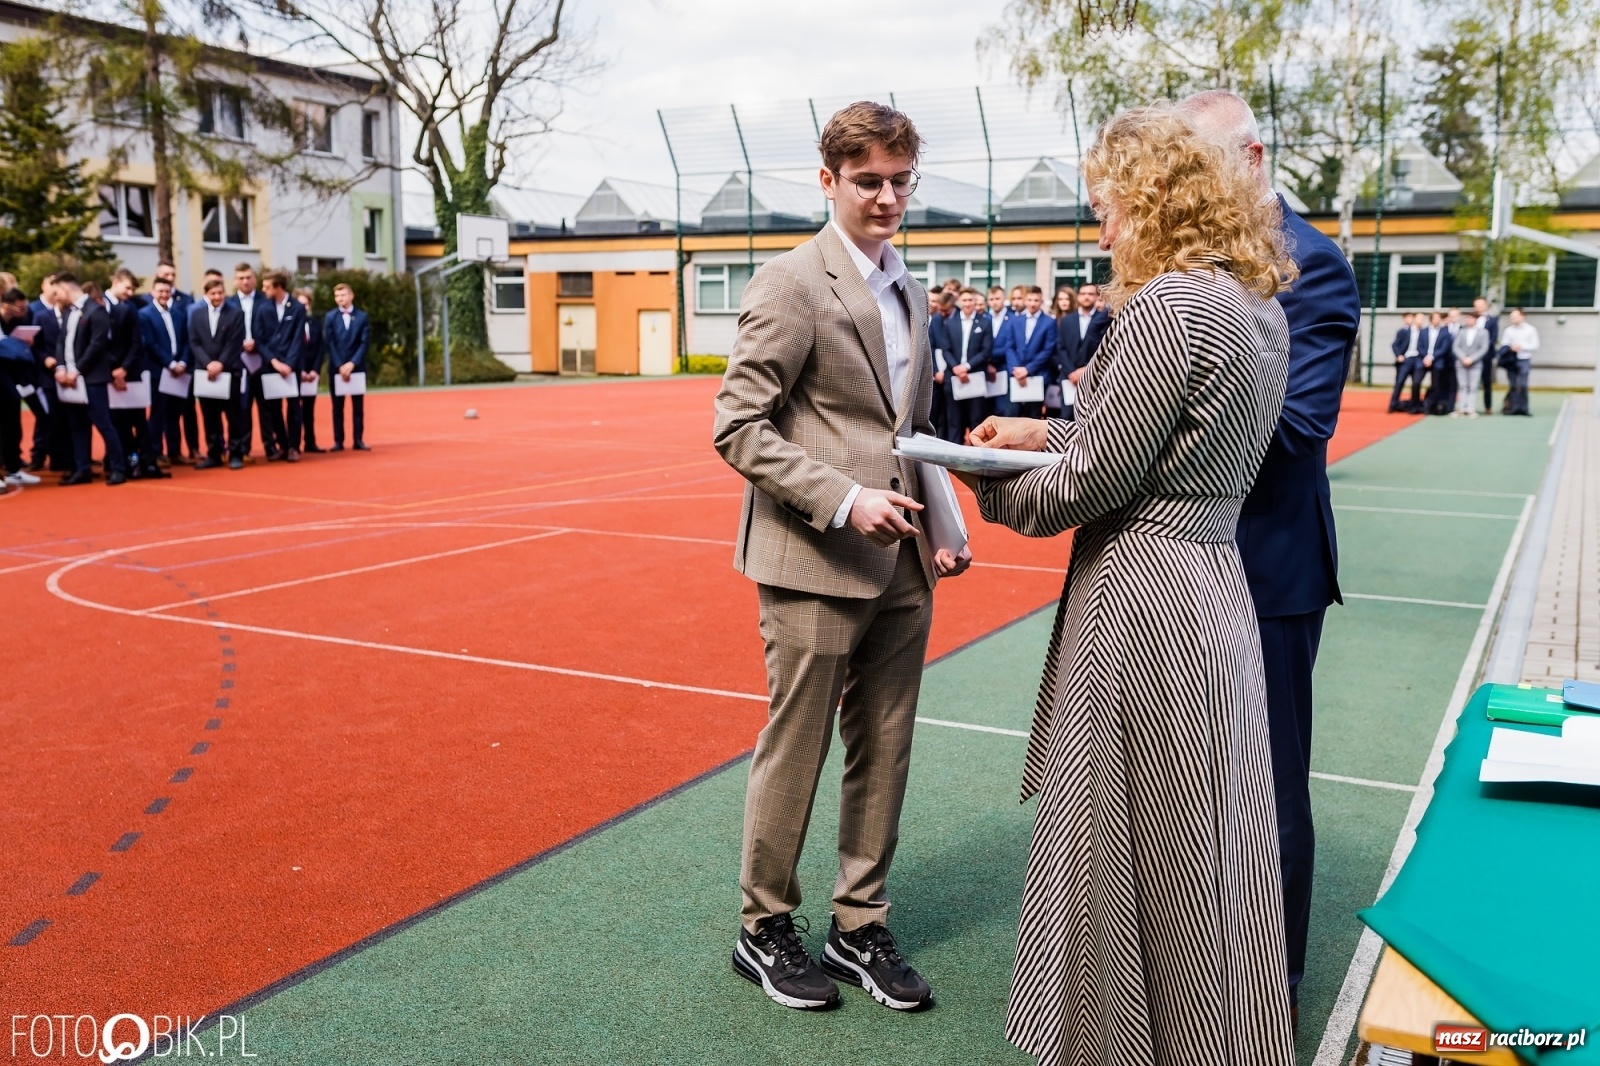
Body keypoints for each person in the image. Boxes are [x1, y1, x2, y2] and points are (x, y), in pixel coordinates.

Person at [964, 102, 1297, 1066]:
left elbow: (1091, 485)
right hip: (1212, 595)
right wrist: (1045, 433)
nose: (1101, 228)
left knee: (1113, 856)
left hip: (1137, 612)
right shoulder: (1255, 303)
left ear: (1155, 203)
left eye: (1107, 206)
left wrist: (985, 478)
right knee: (1206, 860)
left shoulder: (1170, 307)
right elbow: (1164, 456)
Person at [711, 100, 971, 1015]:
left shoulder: (910, 283)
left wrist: (943, 517)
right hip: (812, 558)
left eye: (901, 180)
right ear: (829, 181)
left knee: (887, 747)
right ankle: (764, 927)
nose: (888, 196)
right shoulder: (791, 282)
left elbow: (913, 427)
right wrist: (843, 496)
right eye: (869, 181)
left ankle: (858, 925)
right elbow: (736, 426)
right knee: (799, 747)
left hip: (903, 566)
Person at [1181, 88, 1361, 1025]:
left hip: (1267, 570)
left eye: (1201, 169)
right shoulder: (1187, 261)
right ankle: (1198, 971)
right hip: (1182, 569)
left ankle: (1271, 996)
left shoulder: (1315, 266)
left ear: (1251, 160)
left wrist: (1162, 411)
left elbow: (1298, 425)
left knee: (1270, 791)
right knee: (1195, 792)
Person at [54, 273, 128, 486]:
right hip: (68, 378)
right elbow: (62, 342)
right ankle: (82, 469)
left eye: (57, 291)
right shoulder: (68, 312)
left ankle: (117, 468)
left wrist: (76, 370)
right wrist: (61, 368)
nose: (56, 296)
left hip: (91, 379)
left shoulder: (97, 311)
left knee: (104, 424)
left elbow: (97, 345)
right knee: (77, 426)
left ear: (66, 289)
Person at [105, 268, 167, 479]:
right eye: (127, 287)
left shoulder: (131, 307)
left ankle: (145, 462)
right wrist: (113, 370)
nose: (130, 292)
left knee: (139, 420)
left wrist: (124, 368)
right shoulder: (98, 305)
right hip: (108, 375)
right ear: (116, 282)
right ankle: (122, 461)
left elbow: (136, 341)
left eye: (133, 288)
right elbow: (99, 343)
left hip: (132, 372)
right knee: (117, 422)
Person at [188, 277, 248, 469]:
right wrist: (208, 364)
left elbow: (235, 342)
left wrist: (220, 364)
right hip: (206, 374)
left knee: (233, 416)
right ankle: (214, 453)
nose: (217, 297)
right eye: (213, 293)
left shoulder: (236, 314)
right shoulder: (196, 315)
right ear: (206, 294)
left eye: (220, 293)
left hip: (229, 372)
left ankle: (235, 453)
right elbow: (194, 342)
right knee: (209, 416)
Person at [140, 277, 197, 461]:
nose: (164, 294)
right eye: (160, 291)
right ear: (153, 292)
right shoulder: (145, 314)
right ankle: (155, 452)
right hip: (159, 371)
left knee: (175, 413)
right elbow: (150, 344)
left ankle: (174, 452)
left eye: (167, 291)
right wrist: (170, 364)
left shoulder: (178, 314)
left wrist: (182, 363)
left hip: (179, 372)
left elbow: (186, 342)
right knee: (158, 414)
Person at [254, 271, 306, 461]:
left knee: (294, 407)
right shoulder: (262, 308)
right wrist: (274, 362)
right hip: (271, 365)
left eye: (267, 286)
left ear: (278, 287)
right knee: (273, 408)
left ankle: (294, 446)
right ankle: (283, 445)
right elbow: (259, 338)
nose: (263, 289)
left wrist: (289, 365)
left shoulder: (298, 308)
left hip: (291, 367)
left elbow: (297, 339)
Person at [993, 284, 1056, 418]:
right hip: (1015, 375)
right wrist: (1016, 370)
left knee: (1032, 416)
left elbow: (1048, 349)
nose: (1032, 304)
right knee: (1010, 414)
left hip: (1037, 376)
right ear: (1025, 300)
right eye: (1030, 300)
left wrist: (1028, 370)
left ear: (1041, 301)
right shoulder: (1014, 320)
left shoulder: (1049, 322)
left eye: (1036, 300)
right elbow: (1009, 346)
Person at [0, 289, 42, 488]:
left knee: (12, 422)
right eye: (21, 307)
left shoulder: (16, 322)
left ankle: (13, 469)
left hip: (9, 375)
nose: (25, 311)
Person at [226, 263, 269, 457]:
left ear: (255, 279)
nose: (245, 281)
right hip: (238, 362)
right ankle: (244, 449)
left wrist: (257, 342)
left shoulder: (265, 301)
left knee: (266, 406)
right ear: (235, 280)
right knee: (242, 408)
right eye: (241, 278)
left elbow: (271, 330)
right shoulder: (229, 304)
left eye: (248, 277)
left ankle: (271, 446)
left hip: (263, 360)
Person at [941, 286, 993, 443]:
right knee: (954, 421)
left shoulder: (985, 322)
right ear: (959, 302)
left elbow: (986, 351)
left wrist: (967, 367)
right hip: (954, 377)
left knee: (976, 420)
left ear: (975, 302)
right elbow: (945, 349)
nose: (968, 303)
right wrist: (956, 368)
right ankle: (952, 461)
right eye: (964, 300)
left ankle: (977, 459)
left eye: (971, 300)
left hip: (974, 377)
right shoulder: (950, 323)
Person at [323, 283, 370, 451]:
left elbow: (364, 343)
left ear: (351, 296)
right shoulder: (330, 317)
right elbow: (329, 342)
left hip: (356, 368)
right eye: (337, 296)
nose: (340, 299)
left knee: (358, 407)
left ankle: (358, 439)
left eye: (343, 295)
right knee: (337, 408)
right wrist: (340, 366)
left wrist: (352, 363)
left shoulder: (362, 317)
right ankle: (338, 441)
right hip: (336, 369)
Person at [1054, 281, 1110, 420]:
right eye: (1083, 294)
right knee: (1066, 417)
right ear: (1078, 297)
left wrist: (1086, 369)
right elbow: (1061, 347)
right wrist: (1071, 372)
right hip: (1068, 376)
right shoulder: (1067, 320)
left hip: (1093, 376)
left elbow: (1105, 348)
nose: (1086, 297)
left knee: (1089, 418)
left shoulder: (1104, 319)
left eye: (1090, 294)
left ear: (1097, 297)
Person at [295, 289, 325, 452]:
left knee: (309, 410)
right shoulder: (291, 323)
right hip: (296, 372)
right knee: (295, 411)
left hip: (312, 374)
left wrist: (314, 370)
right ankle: (294, 444)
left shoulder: (315, 323)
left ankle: (310, 442)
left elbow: (320, 348)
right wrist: (299, 370)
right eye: (300, 304)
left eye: (306, 304)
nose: (303, 307)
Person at [1498, 307, 1537, 416]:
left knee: (1523, 384)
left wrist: (1522, 347)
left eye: (1515, 317)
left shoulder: (1530, 330)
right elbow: (1504, 344)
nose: (1513, 319)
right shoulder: (1508, 330)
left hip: (1524, 358)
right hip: (1512, 360)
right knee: (1513, 384)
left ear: (1522, 316)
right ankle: (1513, 408)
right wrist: (1511, 347)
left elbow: (1535, 344)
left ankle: (1524, 408)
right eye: (1512, 317)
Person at [1453, 309, 1489, 418]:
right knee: (1463, 386)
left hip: (1475, 364)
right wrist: (1463, 357)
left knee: (1473, 386)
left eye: (1469, 318)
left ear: (1475, 319)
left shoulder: (1483, 332)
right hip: (1461, 363)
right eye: (1466, 318)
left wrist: (1472, 359)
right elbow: (1455, 346)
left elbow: (1484, 348)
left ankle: (1471, 408)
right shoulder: (1461, 331)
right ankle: (1461, 408)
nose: (1467, 320)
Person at [1420, 310, 1454, 416]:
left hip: (1438, 361)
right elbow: (1419, 346)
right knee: (1417, 382)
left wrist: (1432, 357)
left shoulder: (1445, 332)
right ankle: (1418, 405)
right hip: (1423, 360)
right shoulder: (1423, 331)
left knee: (1436, 385)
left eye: (1438, 318)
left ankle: (1434, 406)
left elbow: (1444, 348)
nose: (1437, 320)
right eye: (1435, 318)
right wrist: (1426, 357)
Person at [1389, 311, 1424, 413]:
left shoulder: (1423, 332)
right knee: (1399, 382)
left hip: (1417, 359)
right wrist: (1399, 355)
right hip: (1406, 360)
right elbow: (1395, 344)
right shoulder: (1403, 331)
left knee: (1416, 384)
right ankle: (1393, 404)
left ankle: (1414, 406)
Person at [1473, 296, 1499, 414]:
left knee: (1486, 382)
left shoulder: (1492, 320)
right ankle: (1469, 406)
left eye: (1480, 305)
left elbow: (1493, 338)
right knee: (1470, 382)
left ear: (1485, 305)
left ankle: (1488, 407)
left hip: (1486, 356)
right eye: (1476, 305)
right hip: (1471, 356)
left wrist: (1482, 349)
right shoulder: (1472, 319)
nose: (1477, 307)